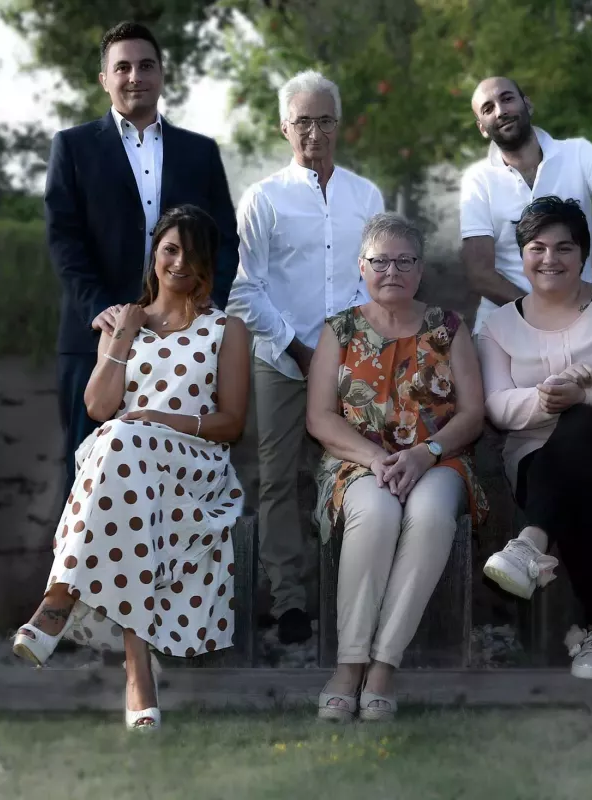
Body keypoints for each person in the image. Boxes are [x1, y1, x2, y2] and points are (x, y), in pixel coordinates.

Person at [12, 205, 251, 731]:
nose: (179, 262)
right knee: (123, 454)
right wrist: (124, 332)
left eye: (191, 253)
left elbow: (231, 423)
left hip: (193, 462)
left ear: (207, 262)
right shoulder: (122, 323)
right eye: (170, 249)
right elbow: (99, 407)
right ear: (155, 255)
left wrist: (157, 419)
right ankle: (138, 672)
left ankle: (58, 599)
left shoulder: (226, 329)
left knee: (124, 440)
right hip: (124, 467)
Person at [47, 21, 239, 503]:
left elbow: (224, 238)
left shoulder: (200, 152)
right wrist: (102, 310)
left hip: (185, 340)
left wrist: (205, 305)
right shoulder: (72, 147)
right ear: (104, 79)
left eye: (146, 65)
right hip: (95, 336)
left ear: (161, 74)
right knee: (87, 478)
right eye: (123, 67)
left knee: (176, 478)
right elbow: (64, 240)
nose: (136, 76)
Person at [306, 213, 488, 721]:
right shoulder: (339, 329)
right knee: (377, 514)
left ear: (421, 270)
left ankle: (384, 666)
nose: (393, 271)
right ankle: (349, 666)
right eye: (381, 261)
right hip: (358, 463)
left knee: (430, 517)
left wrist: (424, 453)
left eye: (405, 261)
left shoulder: (449, 328)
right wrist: (376, 459)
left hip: (439, 460)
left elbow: (473, 413)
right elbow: (320, 418)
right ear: (361, 267)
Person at [226, 70, 385, 645]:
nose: (314, 133)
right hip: (281, 358)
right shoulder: (263, 198)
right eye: (302, 122)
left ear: (338, 125)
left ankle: (345, 595)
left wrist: (344, 347)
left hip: (351, 360)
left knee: (354, 471)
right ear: (283, 127)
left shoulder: (366, 196)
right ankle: (289, 602)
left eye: (324, 120)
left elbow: (375, 277)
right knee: (276, 479)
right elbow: (244, 288)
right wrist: (298, 347)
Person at [476, 196, 592, 681]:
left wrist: (587, 396)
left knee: (580, 423)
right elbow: (497, 406)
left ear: (583, 254)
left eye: (564, 248)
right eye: (537, 248)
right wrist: (547, 398)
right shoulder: (497, 326)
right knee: (571, 479)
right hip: (537, 465)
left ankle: (530, 542)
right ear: (521, 255)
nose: (550, 259)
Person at [460, 76, 592, 335]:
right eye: (488, 108)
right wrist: (542, 314)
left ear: (527, 105)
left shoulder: (578, 154)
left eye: (507, 99)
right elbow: (479, 273)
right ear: (482, 128)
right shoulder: (478, 179)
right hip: (504, 325)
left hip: (579, 325)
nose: (501, 111)